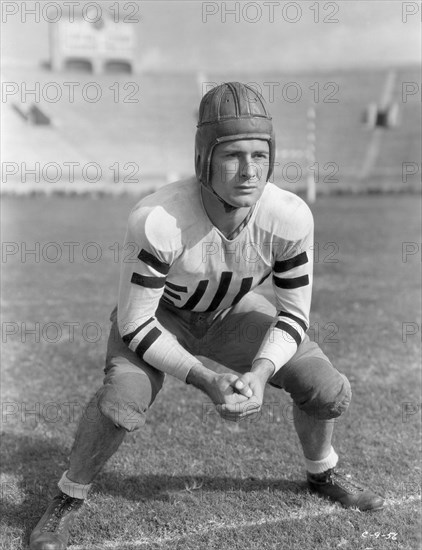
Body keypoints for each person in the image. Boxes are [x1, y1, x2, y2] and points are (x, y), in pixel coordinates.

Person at [30, 82, 384, 550]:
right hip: (160, 318)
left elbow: (295, 317)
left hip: (231, 313)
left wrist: (260, 373)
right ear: (204, 159)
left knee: (324, 385)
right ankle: (67, 497)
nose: (248, 170)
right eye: (233, 155)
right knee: (123, 397)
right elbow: (135, 323)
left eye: (260, 155)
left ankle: (323, 473)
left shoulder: (290, 217)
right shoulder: (159, 219)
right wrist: (205, 378)